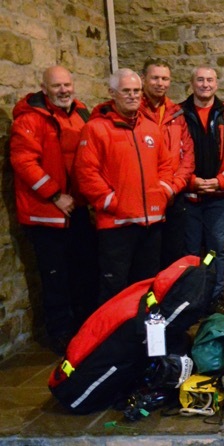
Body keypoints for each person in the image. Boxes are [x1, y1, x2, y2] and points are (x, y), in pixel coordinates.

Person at [10, 66, 98, 354]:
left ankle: (85, 331)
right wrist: (55, 195)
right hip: (46, 213)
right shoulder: (30, 119)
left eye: (67, 84)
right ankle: (60, 334)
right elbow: (24, 163)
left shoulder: (80, 113)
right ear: (44, 87)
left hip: (78, 208)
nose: (64, 90)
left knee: (84, 271)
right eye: (57, 85)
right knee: (55, 276)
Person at [74, 68, 174, 302]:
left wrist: (164, 192)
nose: (132, 96)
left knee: (148, 286)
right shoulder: (96, 128)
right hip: (116, 225)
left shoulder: (150, 128)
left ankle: (145, 334)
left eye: (137, 91)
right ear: (112, 93)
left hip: (151, 223)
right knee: (115, 287)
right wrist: (110, 201)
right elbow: (86, 173)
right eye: (126, 91)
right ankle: (116, 337)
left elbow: (166, 164)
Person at [181, 66, 224, 315]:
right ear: (192, 83)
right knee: (190, 251)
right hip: (189, 195)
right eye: (200, 79)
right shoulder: (180, 113)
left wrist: (222, 180)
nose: (205, 84)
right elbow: (171, 153)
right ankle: (191, 300)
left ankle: (215, 298)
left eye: (209, 80)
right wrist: (190, 181)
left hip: (219, 197)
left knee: (215, 250)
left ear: (216, 84)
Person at [139, 58, 195, 267]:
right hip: (144, 196)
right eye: (155, 78)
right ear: (143, 79)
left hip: (174, 194)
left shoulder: (175, 112)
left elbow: (187, 155)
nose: (160, 83)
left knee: (173, 255)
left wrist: (174, 187)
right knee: (147, 259)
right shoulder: (135, 111)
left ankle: (170, 298)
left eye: (164, 78)